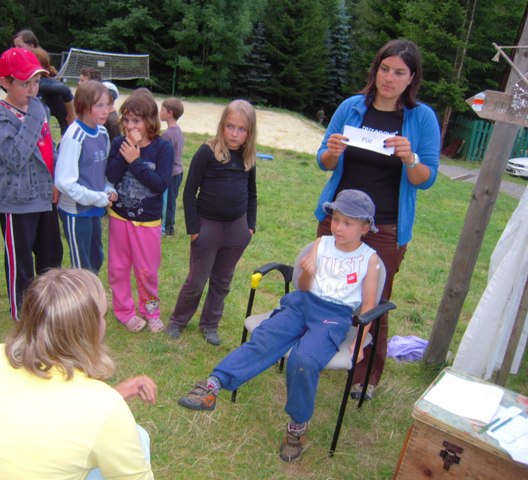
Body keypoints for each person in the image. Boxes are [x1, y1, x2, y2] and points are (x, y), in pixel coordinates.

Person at [177, 189, 380, 462]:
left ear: (365, 228)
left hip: (334, 315)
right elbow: (303, 286)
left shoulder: (369, 259)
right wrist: (308, 273)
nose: (338, 227)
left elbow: (368, 307)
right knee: (266, 338)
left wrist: (359, 342)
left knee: (304, 359)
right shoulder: (322, 243)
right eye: (336, 220)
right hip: (303, 302)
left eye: (347, 223)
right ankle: (214, 384)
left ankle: (297, 427)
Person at [0, 268, 156, 480]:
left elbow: (34, 415)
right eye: (102, 316)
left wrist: (113, 397)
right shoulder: (105, 407)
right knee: (138, 437)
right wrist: (111, 404)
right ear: (86, 329)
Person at [315, 39, 440, 401]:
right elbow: (322, 160)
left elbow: (426, 179)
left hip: (385, 227)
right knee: (326, 289)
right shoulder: (352, 107)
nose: (389, 78)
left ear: (411, 78)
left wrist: (410, 159)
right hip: (338, 220)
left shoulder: (421, 118)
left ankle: (364, 377)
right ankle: (319, 351)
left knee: (374, 301)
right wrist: (332, 152)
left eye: (399, 72)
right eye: (385, 69)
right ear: (375, 70)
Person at [164, 99, 257, 346]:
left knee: (222, 281)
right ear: (222, 125)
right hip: (207, 227)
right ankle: (178, 320)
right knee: (196, 280)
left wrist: (250, 226)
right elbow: (189, 192)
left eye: (241, 129)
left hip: (236, 229)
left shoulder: (248, 157)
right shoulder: (207, 151)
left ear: (250, 132)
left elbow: (252, 194)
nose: (234, 134)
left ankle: (210, 324)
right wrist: (194, 229)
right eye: (230, 126)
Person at [0, 47, 63, 321]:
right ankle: (23, 316)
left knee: (51, 257)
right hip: (17, 201)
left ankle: (48, 309)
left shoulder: (38, 109)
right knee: (21, 264)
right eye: (25, 83)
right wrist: (34, 115)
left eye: (37, 81)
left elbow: (48, 146)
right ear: (5, 82)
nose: (33, 89)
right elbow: (15, 158)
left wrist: (57, 179)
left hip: (45, 196)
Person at [106, 90, 174, 334]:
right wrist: (127, 152)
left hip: (148, 222)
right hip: (119, 218)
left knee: (147, 272)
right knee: (118, 268)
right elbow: (111, 175)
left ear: (150, 121)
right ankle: (124, 311)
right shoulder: (118, 143)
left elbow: (160, 185)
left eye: (136, 120)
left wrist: (135, 161)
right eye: (126, 119)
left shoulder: (163, 148)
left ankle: (151, 311)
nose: (129, 125)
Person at [55, 81, 117, 274]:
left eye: (108, 104)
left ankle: (91, 291)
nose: (106, 110)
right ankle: (82, 294)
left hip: (95, 209)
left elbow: (103, 171)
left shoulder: (103, 132)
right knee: (81, 266)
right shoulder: (74, 136)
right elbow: (64, 182)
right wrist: (99, 198)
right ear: (82, 106)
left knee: (95, 258)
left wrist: (108, 189)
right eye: (99, 105)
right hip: (76, 211)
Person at [32, 47, 76, 135]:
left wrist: (71, 116)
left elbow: (65, 90)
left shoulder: (41, 83)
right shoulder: (43, 82)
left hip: (70, 124)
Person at [159, 97, 185, 236]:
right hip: (178, 172)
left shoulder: (167, 135)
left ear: (170, 113)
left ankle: (166, 228)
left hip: (171, 173)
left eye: (162, 109)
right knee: (171, 200)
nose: (160, 112)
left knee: (167, 202)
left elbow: (165, 157)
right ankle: (169, 226)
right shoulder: (178, 130)